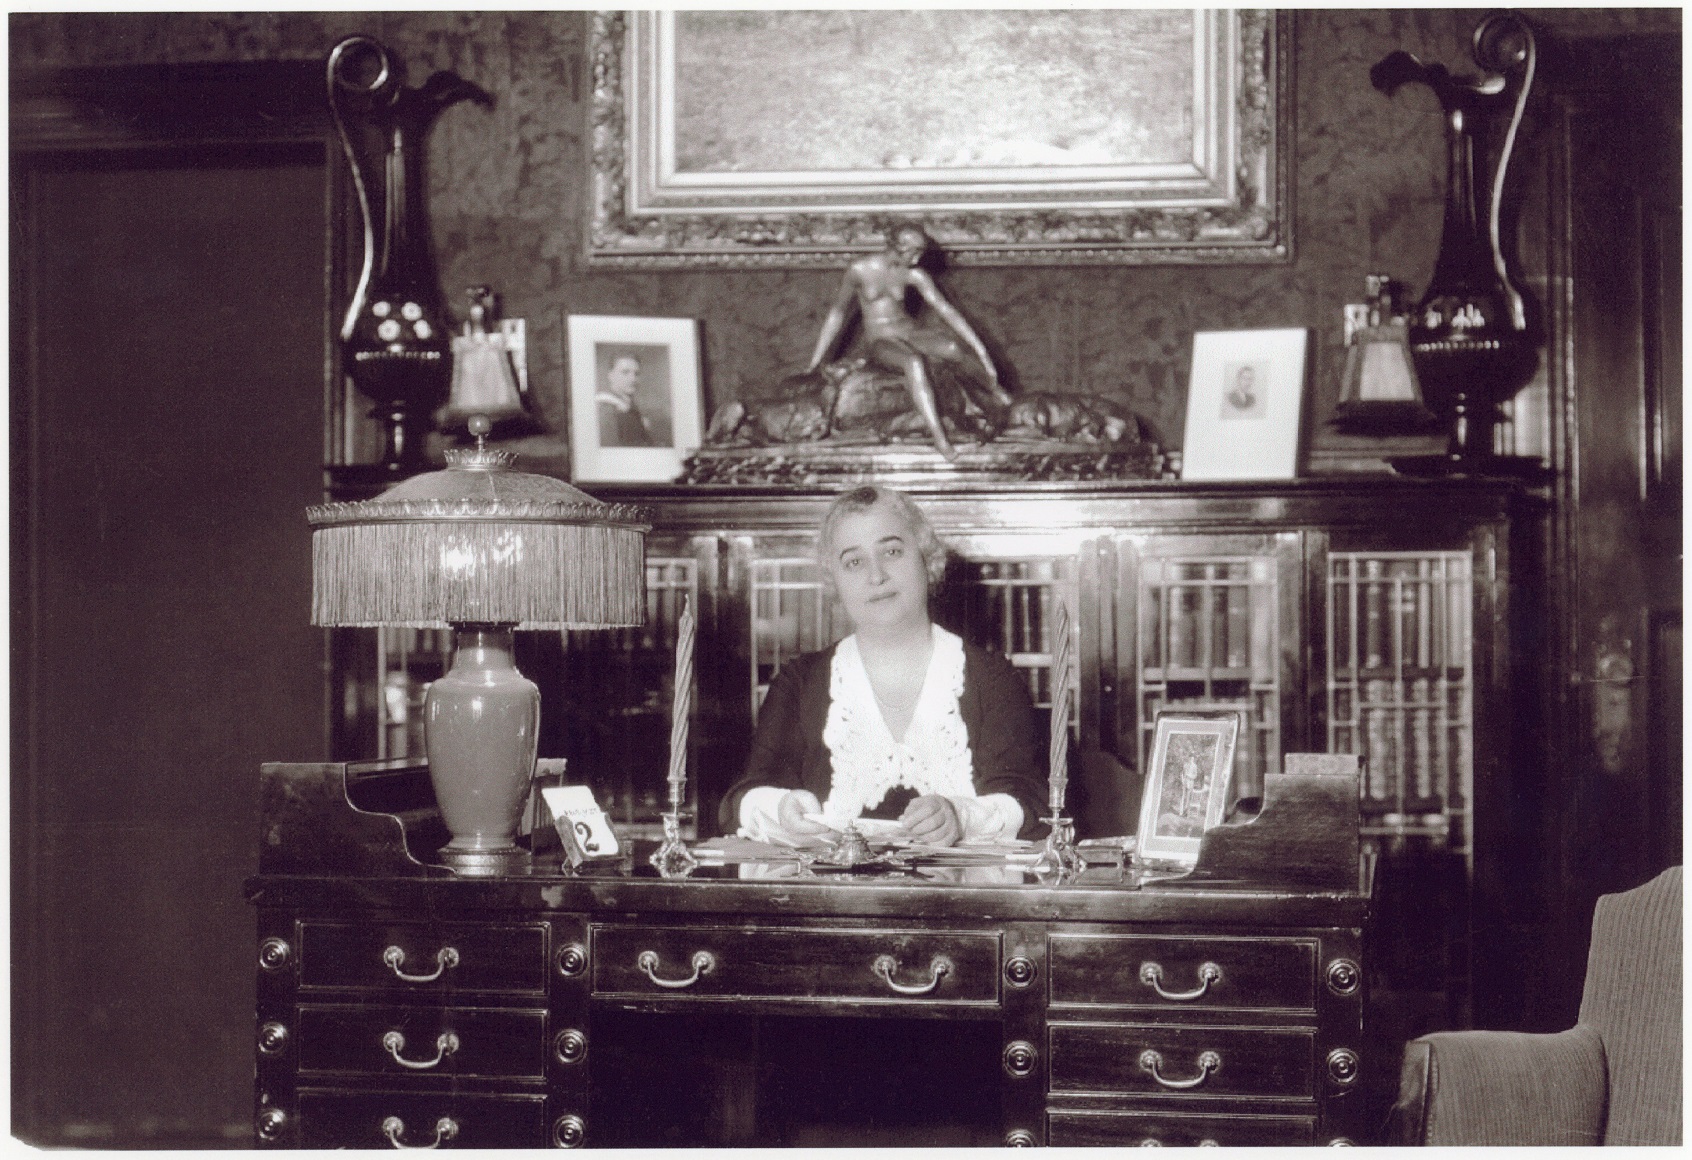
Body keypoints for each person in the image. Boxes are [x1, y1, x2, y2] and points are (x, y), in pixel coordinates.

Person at [719, 485, 1047, 846]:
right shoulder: (800, 683)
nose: (876, 576)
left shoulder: (993, 678)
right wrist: (780, 808)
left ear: (927, 558)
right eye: (854, 562)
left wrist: (961, 816)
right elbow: (740, 800)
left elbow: (1031, 803)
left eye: (891, 551)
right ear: (835, 580)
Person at [807, 224, 1012, 460]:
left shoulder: (913, 274)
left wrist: (982, 352)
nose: (917, 260)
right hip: (880, 339)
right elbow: (837, 314)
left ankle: (993, 390)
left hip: (910, 332)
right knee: (913, 362)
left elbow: (947, 311)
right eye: (913, 252)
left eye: (920, 253)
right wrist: (816, 360)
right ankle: (939, 438)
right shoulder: (859, 270)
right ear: (897, 247)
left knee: (953, 348)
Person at [597, 353, 656, 447]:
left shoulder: (631, 408)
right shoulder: (605, 409)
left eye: (637, 374)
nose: (633, 379)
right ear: (611, 376)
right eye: (625, 372)